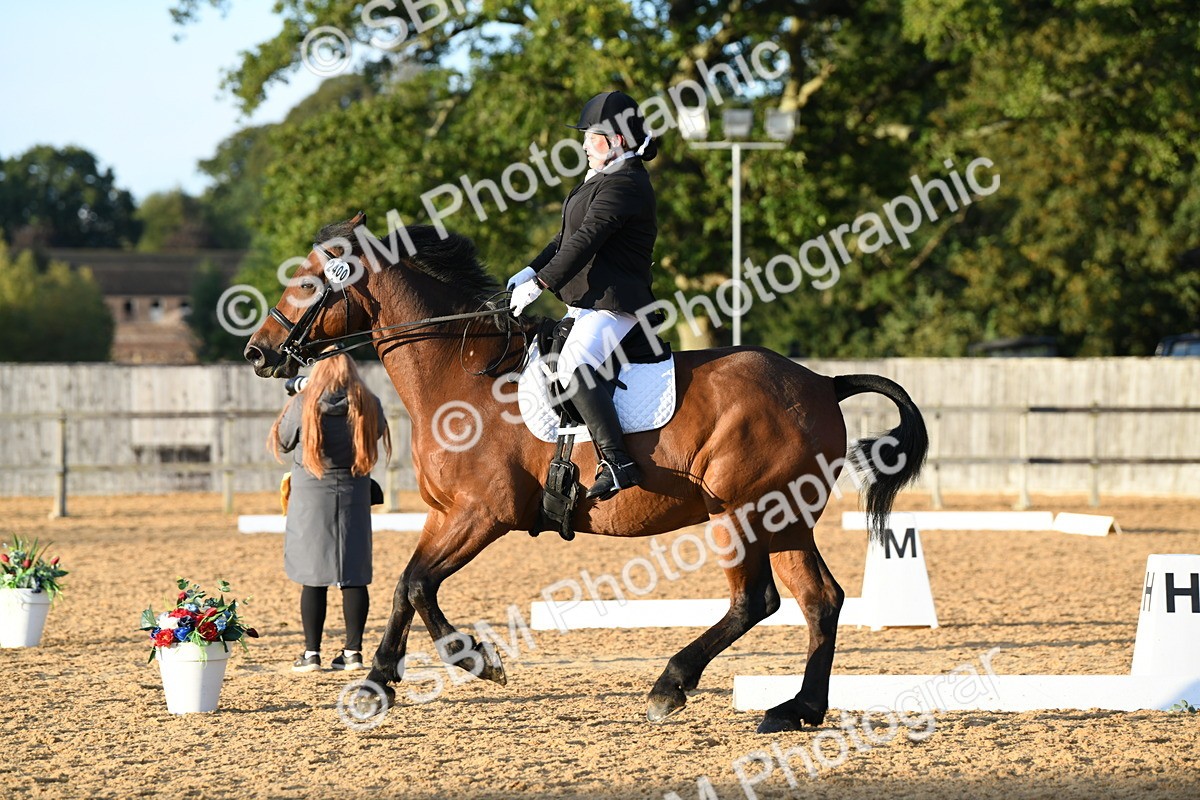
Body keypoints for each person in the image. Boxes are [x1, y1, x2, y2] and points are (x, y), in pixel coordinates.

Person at [507, 90, 660, 501]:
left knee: (575, 361)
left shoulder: (625, 185)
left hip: (615, 304)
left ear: (617, 140)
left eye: (591, 137)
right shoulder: (600, 180)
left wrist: (540, 286)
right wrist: (530, 269)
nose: (583, 144)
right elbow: (564, 239)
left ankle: (618, 461)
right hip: (589, 304)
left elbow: (586, 241)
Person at [268, 352, 391, 672]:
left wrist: (298, 394)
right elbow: (377, 434)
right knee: (354, 575)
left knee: (313, 576)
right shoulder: (368, 402)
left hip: (311, 495)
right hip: (353, 492)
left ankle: (311, 654)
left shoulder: (304, 403)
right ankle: (353, 652)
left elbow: (282, 442)